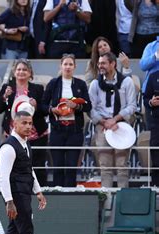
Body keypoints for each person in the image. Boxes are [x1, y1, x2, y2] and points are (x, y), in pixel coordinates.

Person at [0, 59, 48, 186]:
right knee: (14, 166)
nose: (21, 72)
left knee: (37, 167)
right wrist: (4, 97)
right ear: (14, 72)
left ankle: (41, 193)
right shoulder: (7, 88)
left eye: (25, 69)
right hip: (14, 136)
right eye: (18, 69)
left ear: (30, 73)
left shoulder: (38, 89)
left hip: (36, 135)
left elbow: (45, 110)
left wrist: (37, 105)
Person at [40, 54, 91, 187]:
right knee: (57, 167)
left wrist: (76, 106)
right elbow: (43, 105)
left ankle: (70, 196)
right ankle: (58, 197)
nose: (68, 67)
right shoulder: (53, 83)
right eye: (65, 64)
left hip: (75, 130)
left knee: (71, 167)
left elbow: (88, 105)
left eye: (70, 64)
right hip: (57, 130)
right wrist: (52, 110)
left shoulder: (80, 84)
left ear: (75, 67)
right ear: (60, 66)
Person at [89, 52, 137, 188]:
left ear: (113, 64)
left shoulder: (126, 81)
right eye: (99, 63)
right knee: (105, 167)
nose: (100, 66)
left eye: (103, 63)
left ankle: (124, 202)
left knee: (122, 166)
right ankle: (106, 201)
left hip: (121, 126)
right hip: (102, 127)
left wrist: (115, 120)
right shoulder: (95, 84)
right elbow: (90, 108)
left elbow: (132, 105)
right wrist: (105, 122)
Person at [139, 36, 159, 130]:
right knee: (152, 131)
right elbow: (143, 66)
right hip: (152, 91)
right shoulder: (151, 46)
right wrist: (155, 56)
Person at [144, 70, 159, 185]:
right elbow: (145, 99)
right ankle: (156, 188)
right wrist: (151, 102)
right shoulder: (153, 76)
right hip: (156, 123)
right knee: (156, 157)